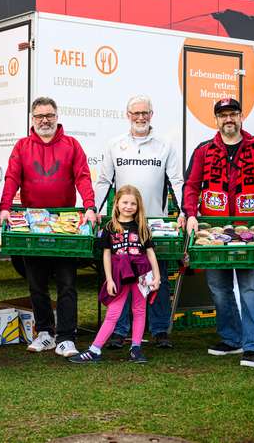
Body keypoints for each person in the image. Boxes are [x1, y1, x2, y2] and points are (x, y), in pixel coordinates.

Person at [183, 97, 254, 368]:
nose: (228, 119)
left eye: (233, 113)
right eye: (223, 115)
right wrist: (191, 214)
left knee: (251, 288)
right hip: (213, 233)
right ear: (216, 119)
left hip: (250, 233)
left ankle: (253, 346)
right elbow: (191, 185)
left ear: (241, 116)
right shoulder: (204, 150)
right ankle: (232, 339)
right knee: (219, 288)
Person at [0, 96, 97, 358]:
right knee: (36, 283)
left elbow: (83, 177)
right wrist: (5, 207)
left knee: (67, 283)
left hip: (65, 226)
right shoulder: (22, 146)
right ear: (32, 119)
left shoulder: (72, 145)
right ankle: (44, 333)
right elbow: (11, 178)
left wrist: (89, 206)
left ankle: (66, 337)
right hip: (33, 225)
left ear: (57, 116)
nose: (45, 120)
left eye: (49, 115)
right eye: (40, 116)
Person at [95, 95, 185, 350]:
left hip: (154, 224)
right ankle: (119, 331)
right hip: (122, 224)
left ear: (152, 114)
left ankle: (160, 331)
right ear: (128, 115)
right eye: (135, 113)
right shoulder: (115, 144)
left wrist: (182, 211)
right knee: (121, 276)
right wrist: (96, 210)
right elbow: (104, 181)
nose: (140, 117)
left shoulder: (165, 145)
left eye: (145, 113)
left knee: (159, 277)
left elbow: (176, 181)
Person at [69, 185, 161, 364]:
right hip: (119, 275)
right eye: (125, 202)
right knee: (114, 311)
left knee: (139, 310)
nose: (129, 206)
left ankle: (136, 348)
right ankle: (95, 350)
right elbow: (106, 256)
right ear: (117, 203)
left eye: (133, 203)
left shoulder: (142, 226)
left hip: (141, 274)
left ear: (138, 206)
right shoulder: (110, 227)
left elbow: (150, 252)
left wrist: (156, 276)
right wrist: (109, 279)